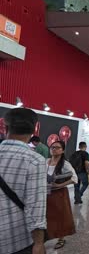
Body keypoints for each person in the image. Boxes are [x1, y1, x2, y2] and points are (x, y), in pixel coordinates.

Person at [0, 108, 47, 254]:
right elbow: (36, 207)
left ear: (5, 128)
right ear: (34, 130)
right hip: (15, 240)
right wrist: (39, 243)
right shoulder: (34, 160)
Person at [46, 141, 77, 250]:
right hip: (46, 193)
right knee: (48, 215)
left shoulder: (65, 164)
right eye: (52, 147)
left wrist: (60, 184)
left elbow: (74, 178)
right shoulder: (47, 161)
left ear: (62, 150)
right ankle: (47, 235)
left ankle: (61, 238)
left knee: (60, 216)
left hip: (59, 194)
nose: (54, 149)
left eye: (57, 147)